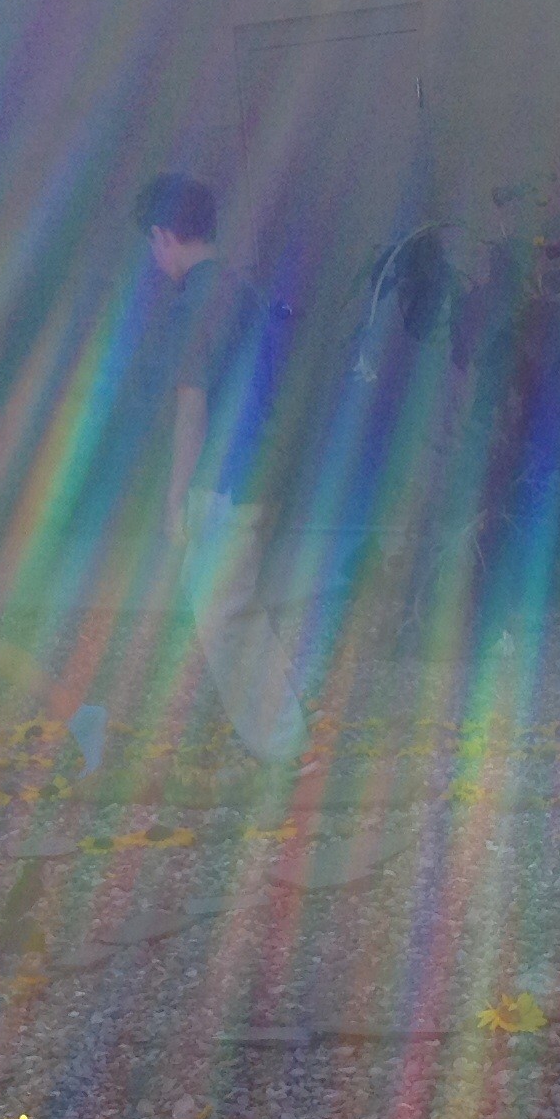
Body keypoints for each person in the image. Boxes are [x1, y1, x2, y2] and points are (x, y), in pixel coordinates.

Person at [136, 172, 312, 780]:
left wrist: (177, 496)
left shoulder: (195, 302)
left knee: (223, 617)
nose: (154, 258)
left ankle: (284, 750)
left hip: (223, 480)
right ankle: (278, 742)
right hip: (259, 469)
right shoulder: (242, 289)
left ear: (164, 235)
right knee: (232, 611)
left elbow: (193, 403)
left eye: (152, 244)